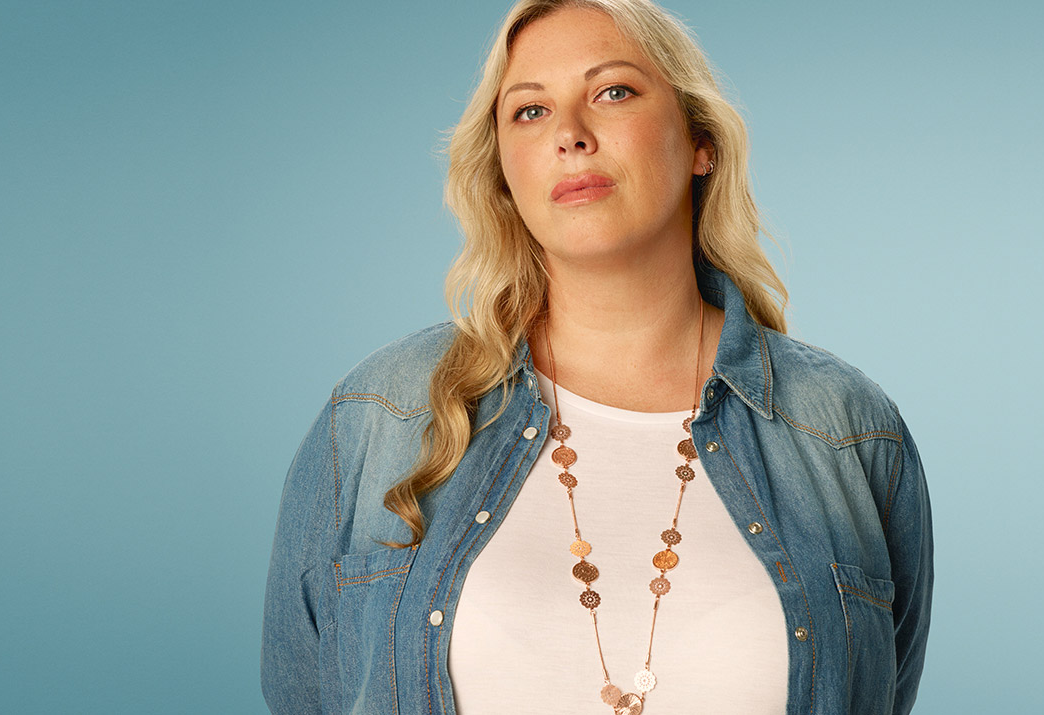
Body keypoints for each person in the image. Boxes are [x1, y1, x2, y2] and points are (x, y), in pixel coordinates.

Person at [262, 1, 933, 713]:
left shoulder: (846, 428)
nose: (570, 136)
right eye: (529, 111)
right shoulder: (380, 416)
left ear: (699, 139)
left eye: (614, 92)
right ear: (503, 170)